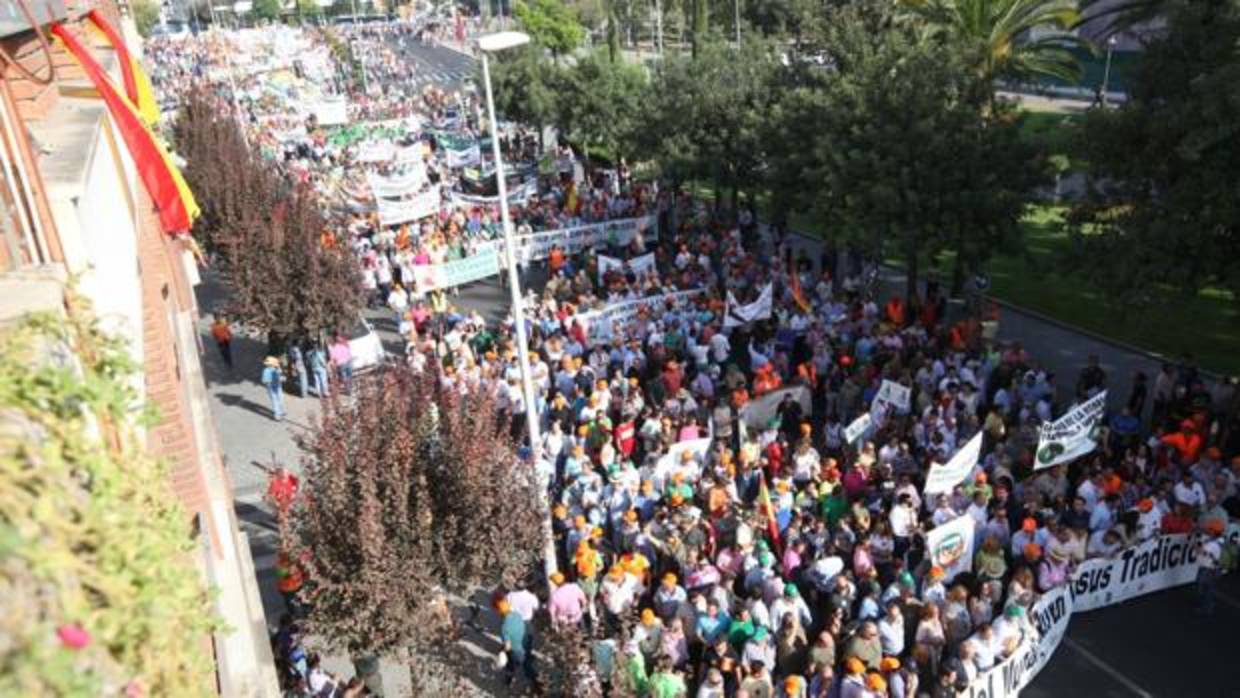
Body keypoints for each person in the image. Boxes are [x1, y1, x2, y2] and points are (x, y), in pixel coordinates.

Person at [1196, 520, 1225, 615]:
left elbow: (1200, 551)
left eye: (1210, 529)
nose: (1208, 530)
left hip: (1207, 569)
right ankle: (1208, 605)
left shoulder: (1213, 544)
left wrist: (1197, 544)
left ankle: (1206, 607)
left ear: (1214, 531)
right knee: (1209, 588)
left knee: (1203, 587)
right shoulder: (1218, 542)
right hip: (1211, 569)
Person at [262, 356, 286, 421]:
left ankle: (281, 411)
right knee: (275, 401)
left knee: (281, 399)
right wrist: (273, 381)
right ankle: (277, 416)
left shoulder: (276, 369)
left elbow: (281, 374)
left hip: (278, 387)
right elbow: (265, 381)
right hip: (272, 388)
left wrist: (281, 377)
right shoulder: (266, 371)